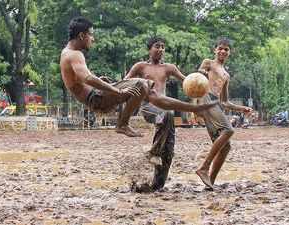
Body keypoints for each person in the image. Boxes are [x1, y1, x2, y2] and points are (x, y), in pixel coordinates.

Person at [60, 17, 216, 137]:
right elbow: (87, 78)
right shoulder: (74, 54)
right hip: (97, 99)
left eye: (163, 47)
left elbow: (85, 79)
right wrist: (117, 90)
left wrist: (111, 85)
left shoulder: (68, 53)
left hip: (98, 96)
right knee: (143, 85)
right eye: (91, 35)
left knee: (147, 88)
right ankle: (122, 124)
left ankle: (194, 109)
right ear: (81, 35)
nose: (92, 39)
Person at [124, 37, 188, 190]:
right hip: (148, 107)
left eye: (163, 47)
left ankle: (156, 186)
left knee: (169, 149)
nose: (160, 49)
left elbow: (186, 81)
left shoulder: (169, 68)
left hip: (165, 109)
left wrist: (200, 80)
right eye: (157, 46)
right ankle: (153, 152)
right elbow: (125, 82)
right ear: (149, 49)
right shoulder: (140, 66)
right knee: (169, 114)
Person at [195, 37, 253, 189]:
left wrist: (242, 109)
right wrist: (196, 105)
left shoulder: (226, 75)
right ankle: (203, 168)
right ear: (215, 50)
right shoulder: (208, 63)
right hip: (205, 98)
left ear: (229, 52)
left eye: (226, 49)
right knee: (228, 130)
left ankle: (210, 183)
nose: (222, 51)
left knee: (226, 147)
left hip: (216, 104)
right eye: (220, 48)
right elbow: (196, 81)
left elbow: (225, 102)